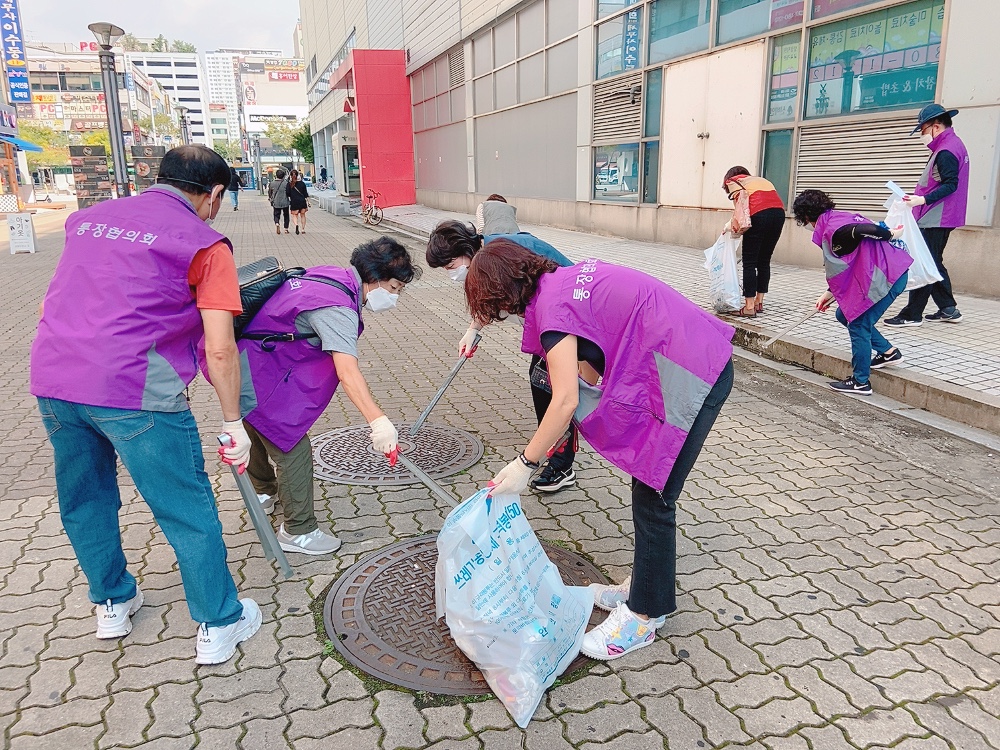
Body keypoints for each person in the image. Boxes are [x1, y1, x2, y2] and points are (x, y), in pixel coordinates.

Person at [29, 145, 260, 665]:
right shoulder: (205, 243)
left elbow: (65, 295)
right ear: (214, 194)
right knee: (185, 507)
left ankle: (112, 601)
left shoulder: (87, 221)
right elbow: (220, 347)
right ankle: (219, 622)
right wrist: (233, 421)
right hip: (135, 393)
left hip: (56, 381)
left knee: (85, 498)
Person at [467, 240, 734, 661]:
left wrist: (524, 464)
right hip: (681, 358)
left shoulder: (553, 310)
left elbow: (566, 400)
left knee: (655, 494)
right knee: (647, 483)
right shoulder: (560, 280)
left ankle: (645, 615)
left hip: (694, 371)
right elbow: (595, 354)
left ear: (504, 293)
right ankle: (645, 583)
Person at [237, 237, 419, 554]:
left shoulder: (333, 276)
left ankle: (262, 491)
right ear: (374, 279)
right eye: (393, 289)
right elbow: (347, 372)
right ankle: (298, 531)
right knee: (291, 444)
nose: (394, 298)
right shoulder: (339, 310)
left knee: (252, 422)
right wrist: (378, 422)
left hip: (247, 362)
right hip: (263, 370)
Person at [427, 220, 580, 493]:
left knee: (557, 391)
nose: (452, 274)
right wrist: (473, 330)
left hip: (568, 319)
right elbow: (496, 298)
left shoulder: (504, 250)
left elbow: (520, 293)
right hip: (551, 321)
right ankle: (553, 447)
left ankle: (560, 463)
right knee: (543, 382)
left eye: (451, 267)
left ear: (465, 249)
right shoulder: (488, 253)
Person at [792, 189, 911, 396]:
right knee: (843, 314)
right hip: (885, 273)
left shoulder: (835, 230)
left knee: (858, 323)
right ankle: (888, 352)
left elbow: (861, 230)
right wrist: (829, 295)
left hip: (887, 277)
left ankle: (860, 382)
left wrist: (892, 233)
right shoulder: (839, 217)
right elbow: (848, 264)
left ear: (805, 217)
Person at [885, 104, 970, 327]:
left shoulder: (946, 151)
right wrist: (918, 196)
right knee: (933, 260)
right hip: (942, 214)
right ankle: (948, 308)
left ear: (935, 126)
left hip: (936, 216)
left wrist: (922, 200)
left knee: (924, 262)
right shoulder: (952, 145)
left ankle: (912, 314)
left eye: (922, 130)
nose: (922, 135)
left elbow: (951, 184)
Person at [721, 166, 785, 318]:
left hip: (759, 215)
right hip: (779, 215)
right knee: (764, 260)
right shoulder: (760, 181)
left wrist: (728, 228)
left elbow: (740, 213)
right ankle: (758, 302)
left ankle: (749, 307)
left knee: (749, 262)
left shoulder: (733, 181)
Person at [287, 169, 310, 235]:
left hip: (294, 201)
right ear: (298, 175)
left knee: (295, 215)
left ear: (291, 176)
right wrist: (308, 201)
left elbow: (288, 193)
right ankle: (303, 229)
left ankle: (296, 225)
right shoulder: (302, 183)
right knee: (303, 215)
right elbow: (305, 194)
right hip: (302, 201)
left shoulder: (289, 184)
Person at [269, 168, 290, 235]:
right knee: (286, 215)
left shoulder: (272, 183)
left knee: (276, 214)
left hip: (276, 201)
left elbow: (270, 192)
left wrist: (270, 198)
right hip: (285, 201)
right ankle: (286, 229)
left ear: (276, 175)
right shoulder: (286, 183)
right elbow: (289, 193)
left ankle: (277, 223)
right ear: (283, 176)